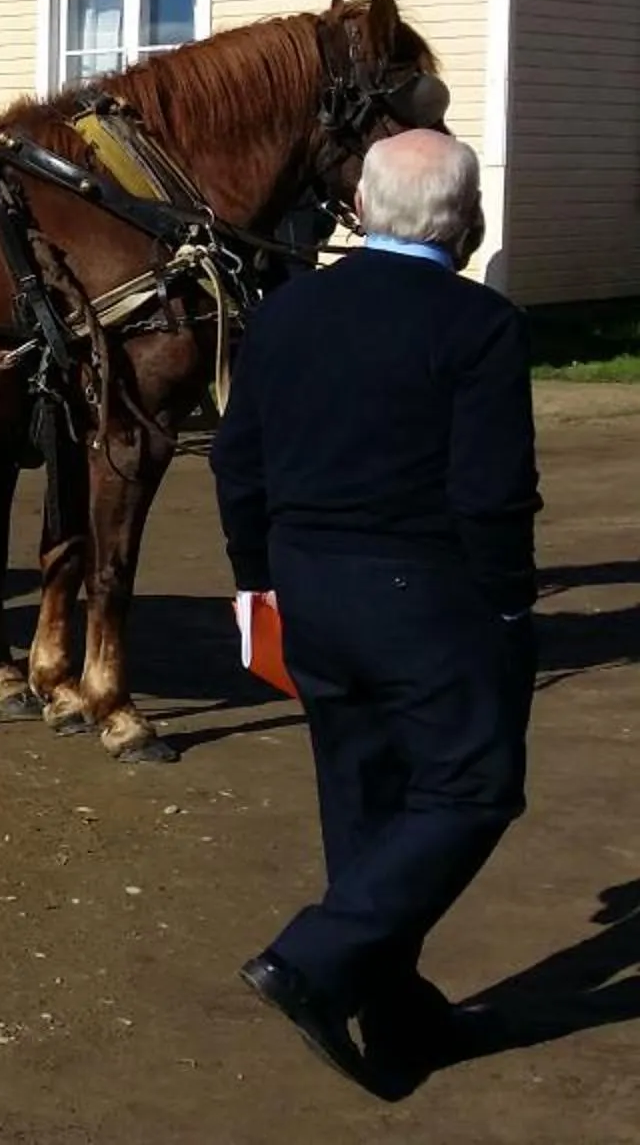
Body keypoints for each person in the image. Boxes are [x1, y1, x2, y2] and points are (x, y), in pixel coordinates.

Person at [213, 131, 536, 1096]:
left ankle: (395, 1014)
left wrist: (257, 577)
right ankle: (312, 961)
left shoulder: (286, 309)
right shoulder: (480, 323)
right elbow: (490, 492)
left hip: (306, 579)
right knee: (473, 785)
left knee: (365, 795)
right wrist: (509, 605)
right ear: (469, 219)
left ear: (359, 208)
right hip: (421, 588)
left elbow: (237, 458)